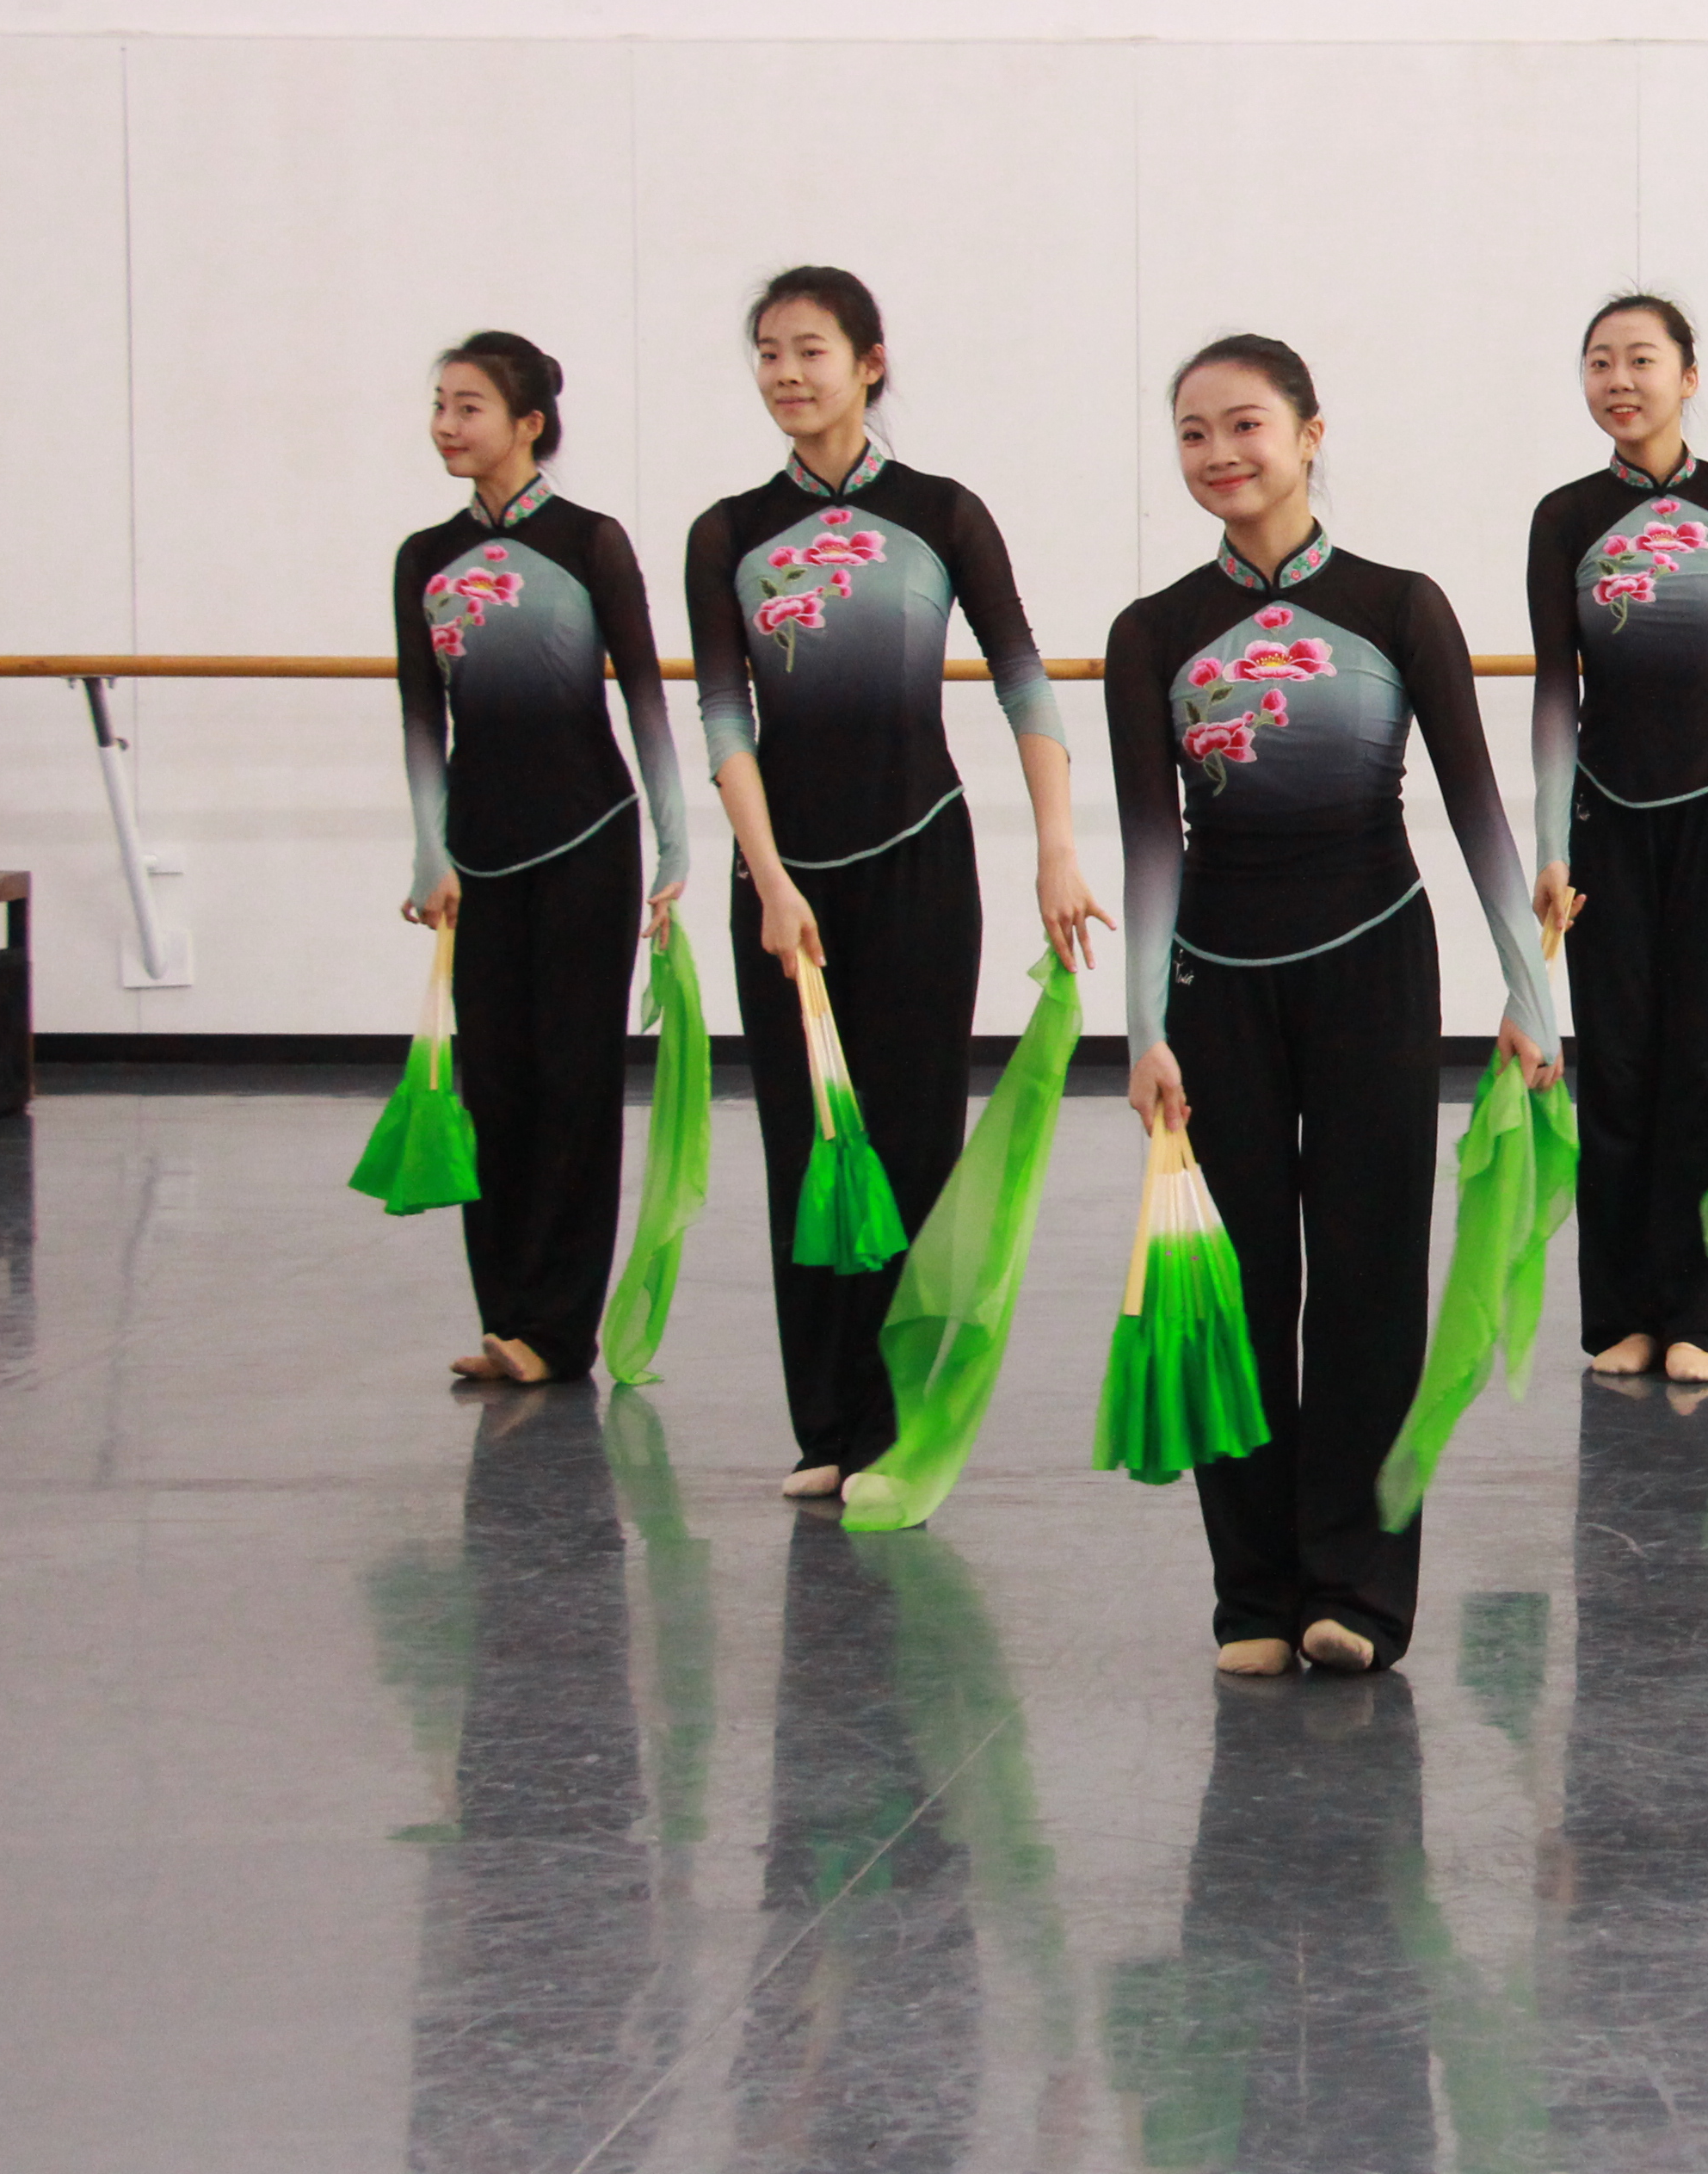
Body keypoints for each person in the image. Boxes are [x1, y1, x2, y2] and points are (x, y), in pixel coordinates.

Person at [1111, 334, 1558, 1680]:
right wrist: (1144, 1026)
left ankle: (1357, 1588)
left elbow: (1477, 810)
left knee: (1368, 1281)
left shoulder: (1398, 606)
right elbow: (1150, 845)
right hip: (1217, 985)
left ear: (1311, 434)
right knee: (1239, 1289)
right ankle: (1252, 1593)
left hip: (1373, 965)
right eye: (1194, 433)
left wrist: (1528, 994)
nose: (1220, 454)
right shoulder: (1152, 633)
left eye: (1246, 424)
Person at [686, 268, 1105, 1501]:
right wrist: (769, 881)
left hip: (920, 861)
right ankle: (826, 1428)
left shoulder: (941, 512)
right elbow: (724, 717)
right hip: (786, 886)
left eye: (810, 349)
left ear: (870, 362)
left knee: (913, 1144)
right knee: (807, 1144)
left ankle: (900, 1428)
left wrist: (1057, 846)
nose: (786, 374)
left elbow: (1023, 679)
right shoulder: (727, 532)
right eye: (768, 352)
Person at [396, 332, 688, 1387]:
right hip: (479, 856)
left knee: (573, 1081)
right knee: (495, 1085)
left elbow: (645, 696)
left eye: (468, 406)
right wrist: (429, 851)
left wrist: (675, 845)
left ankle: (559, 1330)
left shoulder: (588, 542)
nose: (446, 424)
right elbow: (421, 718)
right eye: (440, 404)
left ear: (528, 423)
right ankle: (507, 1314)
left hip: (586, 842)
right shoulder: (423, 559)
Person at [1524, 293, 1708, 1386]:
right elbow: (1556, 689)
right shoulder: (1565, 516)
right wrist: (1551, 844)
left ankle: (1704, 1318)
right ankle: (1622, 1314)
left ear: (1689, 376)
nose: (1619, 380)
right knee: (1620, 1061)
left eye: (1642, 359)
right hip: (1604, 812)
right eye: (1600, 362)